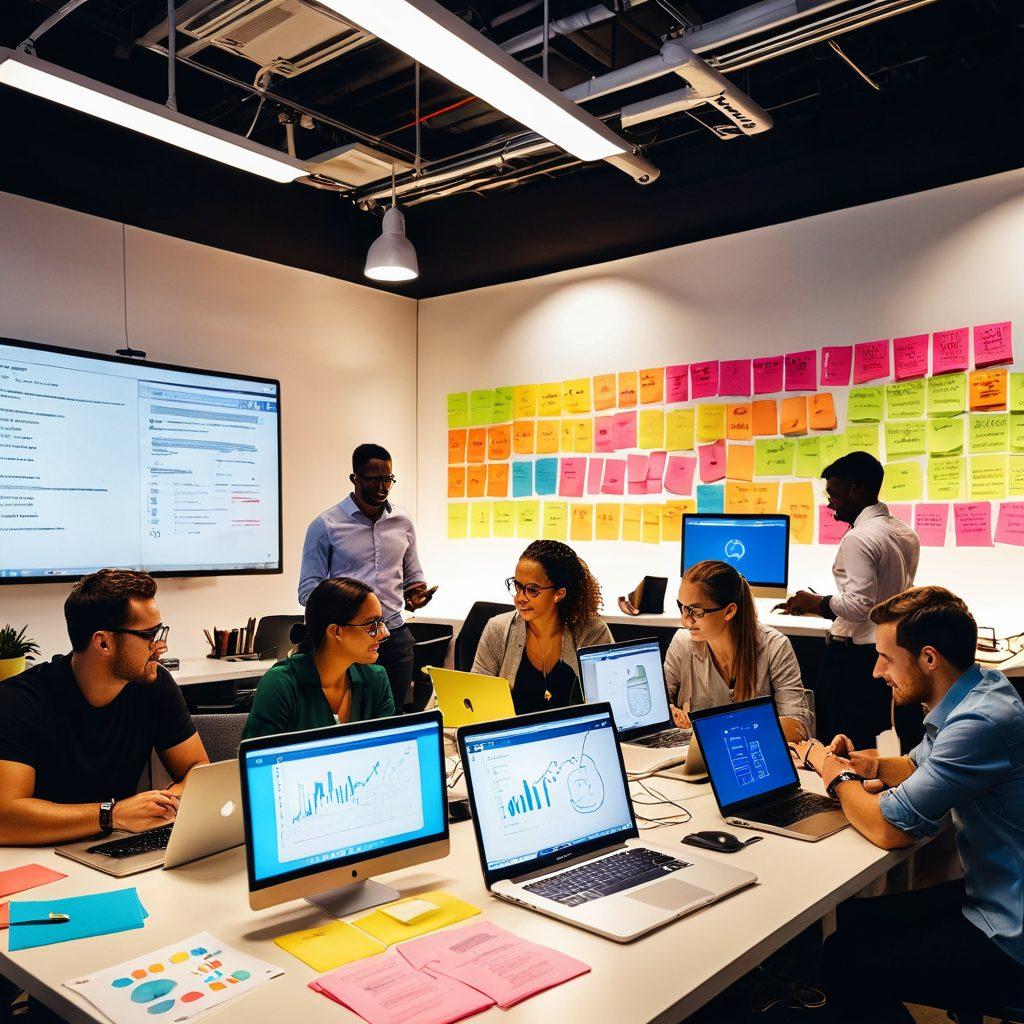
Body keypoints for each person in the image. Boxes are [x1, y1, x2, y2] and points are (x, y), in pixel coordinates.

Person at [796, 586, 1024, 1022]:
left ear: (929, 658)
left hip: (1008, 933)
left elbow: (890, 829)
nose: (878, 671)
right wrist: (864, 765)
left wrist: (833, 773)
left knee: (845, 955)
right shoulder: (979, 690)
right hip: (995, 893)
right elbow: (914, 766)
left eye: (886, 657)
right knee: (853, 918)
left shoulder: (978, 722)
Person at [0, 569, 209, 845]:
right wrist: (113, 815)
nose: (161, 646)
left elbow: (198, 768)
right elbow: (6, 818)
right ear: (103, 642)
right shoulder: (20, 700)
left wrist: (165, 803)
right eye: (149, 635)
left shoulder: (154, 685)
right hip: (41, 858)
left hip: (117, 845)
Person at [779, 451, 921, 749]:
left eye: (834, 493)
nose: (830, 502)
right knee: (872, 740)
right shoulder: (904, 532)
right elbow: (885, 597)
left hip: (853, 661)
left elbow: (859, 607)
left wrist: (815, 602)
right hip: (885, 651)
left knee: (841, 743)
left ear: (855, 489)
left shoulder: (859, 538)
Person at [298, 443, 434, 714]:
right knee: (348, 718)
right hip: (348, 639)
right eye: (375, 479)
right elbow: (307, 591)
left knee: (392, 721)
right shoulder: (326, 525)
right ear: (355, 479)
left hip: (393, 636)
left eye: (388, 479)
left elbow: (413, 577)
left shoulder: (403, 522)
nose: (383, 487)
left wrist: (416, 594)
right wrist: (348, 608)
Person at [665, 560, 811, 742]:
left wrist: (713, 728)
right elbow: (660, 708)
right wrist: (669, 713)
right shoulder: (682, 643)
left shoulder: (775, 647)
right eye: (682, 608)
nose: (686, 620)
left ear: (729, 611)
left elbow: (798, 728)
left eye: (697, 611)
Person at [243, 578, 395, 739]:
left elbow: (387, 749)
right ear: (335, 631)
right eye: (371, 625)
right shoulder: (281, 684)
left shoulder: (376, 679)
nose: (384, 633)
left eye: (381, 622)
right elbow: (259, 759)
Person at [472, 540, 613, 714]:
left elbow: (608, 704)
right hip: (512, 737)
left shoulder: (592, 633)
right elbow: (475, 703)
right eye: (517, 586)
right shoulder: (498, 628)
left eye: (532, 590)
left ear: (559, 594)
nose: (519, 598)